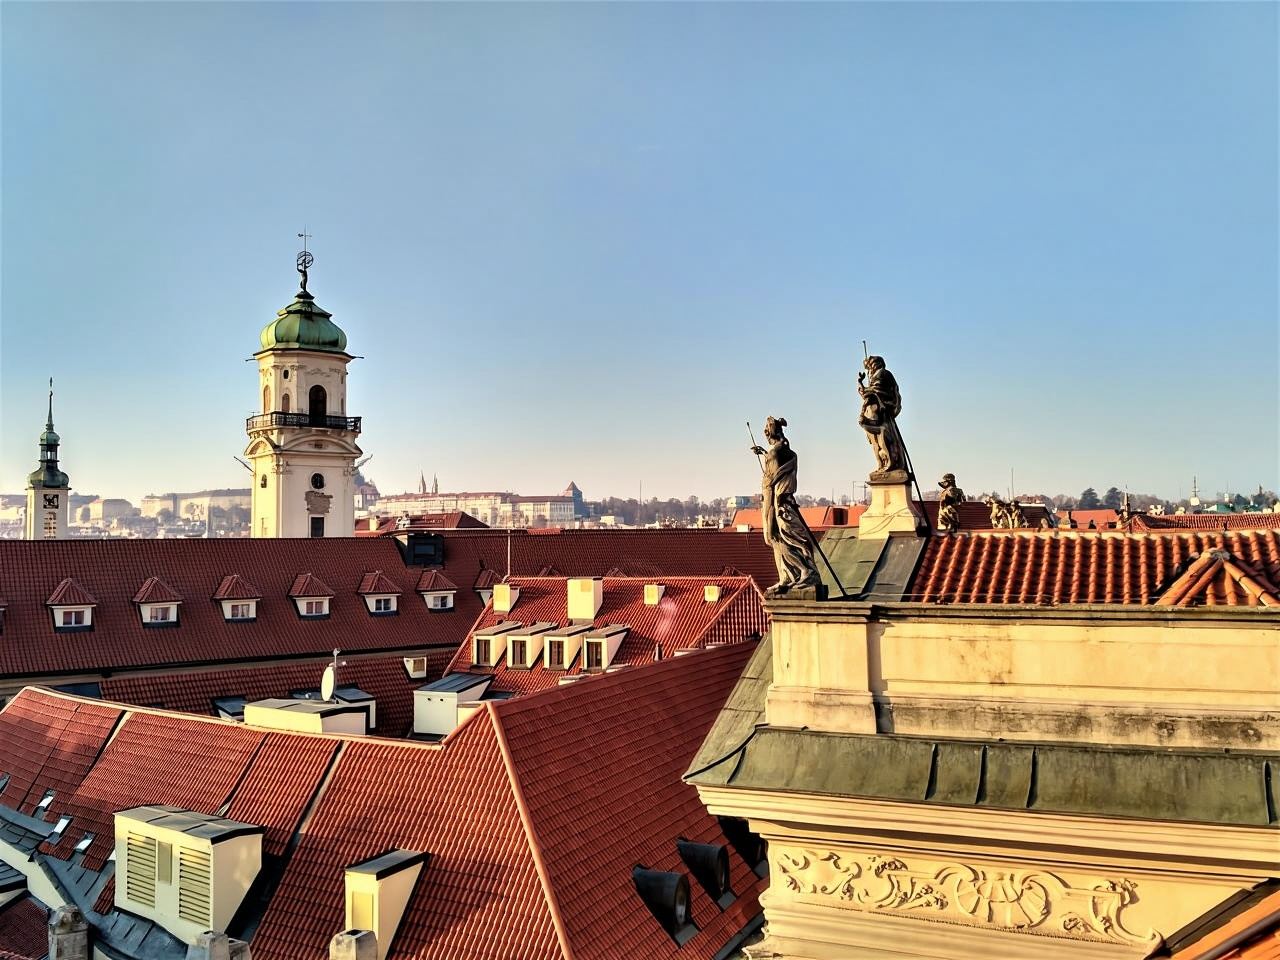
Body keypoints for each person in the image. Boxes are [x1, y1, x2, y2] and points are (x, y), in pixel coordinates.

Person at [750, 417, 821, 596]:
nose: (766, 434)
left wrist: (768, 509)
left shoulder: (775, 454)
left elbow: (770, 481)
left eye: (767, 432)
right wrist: (765, 454)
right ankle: (787, 577)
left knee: (778, 538)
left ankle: (805, 571)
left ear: (770, 434)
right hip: (783, 502)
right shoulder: (784, 451)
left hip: (778, 503)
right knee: (780, 539)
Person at [857, 356, 906, 476]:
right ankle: (883, 464)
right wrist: (861, 384)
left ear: (875, 364)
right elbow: (868, 393)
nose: (869, 370)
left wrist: (867, 389)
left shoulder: (883, 373)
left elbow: (878, 390)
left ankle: (890, 463)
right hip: (876, 412)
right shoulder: (876, 375)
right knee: (876, 441)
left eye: (869, 367)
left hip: (882, 411)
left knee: (883, 436)